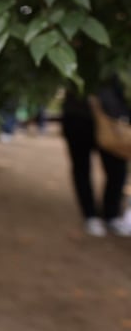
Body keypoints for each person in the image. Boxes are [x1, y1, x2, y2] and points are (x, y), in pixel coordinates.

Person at [61, 75, 131, 237]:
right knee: (82, 168)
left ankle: (111, 215)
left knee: (117, 171)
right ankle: (90, 215)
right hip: (78, 116)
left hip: (113, 121)